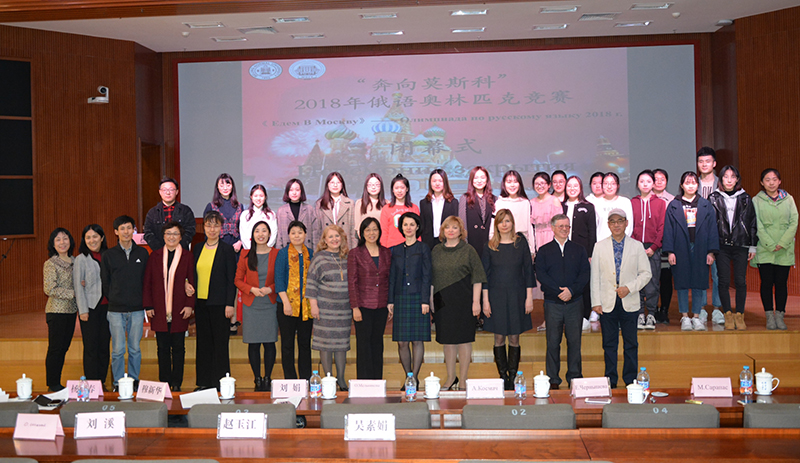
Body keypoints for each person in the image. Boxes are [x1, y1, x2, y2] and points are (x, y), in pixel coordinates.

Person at [591, 209, 652, 388]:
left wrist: (629, 288)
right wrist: (596, 302)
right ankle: (610, 381)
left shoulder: (637, 246)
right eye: (613, 221)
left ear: (626, 223)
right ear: (608, 225)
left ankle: (631, 381)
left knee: (631, 344)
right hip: (607, 302)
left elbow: (646, 273)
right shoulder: (599, 246)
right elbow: (595, 276)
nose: (616, 225)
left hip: (629, 300)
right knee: (609, 344)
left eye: (620, 221)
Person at [432, 216, 487, 390]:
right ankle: (451, 378)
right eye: (447, 227)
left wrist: (476, 302)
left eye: (455, 227)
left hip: (464, 301)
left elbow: (478, 277)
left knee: (464, 341)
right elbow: (431, 278)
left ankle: (463, 379)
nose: (451, 230)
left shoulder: (469, 250)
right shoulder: (436, 250)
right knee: (448, 342)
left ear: (461, 231)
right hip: (442, 301)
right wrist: (430, 300)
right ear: (443, 230)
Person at [536, 214, 591, 389]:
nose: (564, 229)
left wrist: (571, 291)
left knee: (575, 343)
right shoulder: (544, 250)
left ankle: (575, 378)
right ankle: (553, 380)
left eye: (567, 226)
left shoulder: (579, 249)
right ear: (552, 228)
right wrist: (559, 292)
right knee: (553, 343)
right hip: (553, 303)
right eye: (560, 226)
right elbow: (541, 274)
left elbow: (585, 274)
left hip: (575, 303)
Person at [482, 209, 535, 390]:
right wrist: (485, 300)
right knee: (498, 337)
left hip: (517, 296)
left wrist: (529, 298)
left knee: (514, 337)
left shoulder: (521, 243)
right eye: (501, 221)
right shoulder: (490, 246)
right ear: (496, 225)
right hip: (495, 297)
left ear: (512, 223)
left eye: (507, 221)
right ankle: (502, 376)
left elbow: (528, 271)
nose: (504, 225)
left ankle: (513, 377)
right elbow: (484, 276)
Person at [662, 172, 720, 332]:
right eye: (687, 183)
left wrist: (711, 252)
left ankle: (696, 316)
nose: (690, 185)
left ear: (697, 185)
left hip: (701, 248)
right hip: (680, 248)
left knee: (698, 283)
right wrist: (670, 252)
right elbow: (668, 230)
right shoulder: (674, 205)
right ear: (682, 185)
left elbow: (712, 229)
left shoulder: (705, 204)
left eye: (693, 182)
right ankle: (685, 316)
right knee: (681, 283)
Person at [143, 222, 195, 392]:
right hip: (159, 309)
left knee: (179, 348)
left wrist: (189, 305)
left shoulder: (187, 256)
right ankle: (164, 382)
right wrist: (148, 305)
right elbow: (148, 282)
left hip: (180, 309)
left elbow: (192, 281)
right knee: (162, 348)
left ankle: (177, 382)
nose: (171, 237)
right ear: (163, 236)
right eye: (168, 233)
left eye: (175, 234)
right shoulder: (155, 256)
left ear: (181, 237)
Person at [101, 215, 149, 390]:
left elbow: (146, 280)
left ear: (134, 230)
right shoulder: (109, 255)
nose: (126, 232)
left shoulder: (142, 253)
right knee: (118, 350)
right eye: (122, 228)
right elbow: (105, 282)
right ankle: (118, 383)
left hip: (137, 309)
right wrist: (115, 298)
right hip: (115, 310)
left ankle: (134, 381)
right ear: (116, 232)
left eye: (129, 228)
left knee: (135, 348)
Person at [709, 165, 757, 330]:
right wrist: (711, 248)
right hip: (721, 245)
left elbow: (752, 223)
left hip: (741, 244)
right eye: (726, 177)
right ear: (721, 179)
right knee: (723, 280)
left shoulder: (745, 198)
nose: (729, 180)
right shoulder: (713, 198)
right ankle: (728, 314)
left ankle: (740, 315)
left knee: (740, 281)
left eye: (732, 177)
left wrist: (752, 246)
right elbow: (709, 225)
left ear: (737, 179)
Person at [193, 211, 237, 390]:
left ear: (221, 228)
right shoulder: (197, 248)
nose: (212, 229)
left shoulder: (227, 249)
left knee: (220, 344)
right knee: (203, 344)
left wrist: (229, 304)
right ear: (203, 227)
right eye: (208, 225)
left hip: (220, 304)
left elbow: (231, 279)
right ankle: (204, 383)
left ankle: (220, 384)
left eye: (216, 225)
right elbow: (192, 273)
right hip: (200, 303)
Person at [388, 212, 431, 389]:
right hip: (400, 297)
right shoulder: (395, 250)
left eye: (412, 224)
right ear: (401, 227)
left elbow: (427, 275)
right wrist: (390, 300)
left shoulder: (423, 248)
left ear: (417, 227)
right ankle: (408, 377)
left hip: (418, 297)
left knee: (417, 340)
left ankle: (416, 377)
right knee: (402, 342)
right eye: (405, 224)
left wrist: (425, 300)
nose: (408, 228)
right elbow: (392, 277)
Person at [751, 168, 798, 330]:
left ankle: (780, 315)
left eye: (774, 179)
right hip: (765, 249)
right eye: (767, 180)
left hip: (784, 249)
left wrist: (782, 243)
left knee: (781, 284)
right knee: (766, 283)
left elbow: (794, 221)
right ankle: (769, 316)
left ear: (779, 181)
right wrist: (770, 244)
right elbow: (757, 224)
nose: (771, 183)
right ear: (762, 183)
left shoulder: (789, 199)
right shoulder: (756, 200)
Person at [235, 221, 279, 391]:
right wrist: (251, 289)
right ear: (252, 235)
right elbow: (237, 280)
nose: (261, 234)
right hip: (251, 304)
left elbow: (283, 277)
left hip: (270, 303)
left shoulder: (277, 254)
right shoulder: (245, 254)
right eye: (257, 231)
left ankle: (267, 377)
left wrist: (271, 288)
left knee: (269, 343)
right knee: (253, 344)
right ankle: (257, 379)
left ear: (269, 234)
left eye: (264, 231)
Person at [307, 224, 351, 391]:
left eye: (337, 236)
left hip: (344, 310)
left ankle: (341, 379)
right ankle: (328, 379)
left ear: (342, 238)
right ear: (324, 240)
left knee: (341, 346)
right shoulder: (319, 258)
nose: (334, 239)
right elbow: (311, 283)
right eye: (330, 237)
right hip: (324, 309)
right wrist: (313, 305)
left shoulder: (347, 257)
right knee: (325, 345)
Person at [348, 218, 391, 380]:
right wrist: (355, 307)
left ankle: (377, 381)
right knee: (364, 345)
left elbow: (389, 279)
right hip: (363, 307)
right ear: (362, 233)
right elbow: (352, 282)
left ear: (379, 231)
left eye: (375, 229)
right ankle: (364, 383)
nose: (371, 233)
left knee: (377, 344)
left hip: (381, 306)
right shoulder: (355, 253)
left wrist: (390, 304)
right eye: (368, 230)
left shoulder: (386, 252)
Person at [275, 221, 314, 380]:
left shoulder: (311, 253)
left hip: (305, 306)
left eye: (300, 232)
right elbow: (279, 280)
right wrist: (286, 303)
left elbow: (314, 280)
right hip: (286, 306)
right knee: (287, 344)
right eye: (293, 233)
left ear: (305, 234)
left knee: (305, 344)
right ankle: (290, 380)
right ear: (288, 236)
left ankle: (306, 379)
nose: (297, 236)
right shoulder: (282, 254)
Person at [73, 224, 110, 384]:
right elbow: (77, 286)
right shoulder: (81, 259)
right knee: (91, 348)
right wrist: (82, 310)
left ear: (102, 238)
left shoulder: (109, 255)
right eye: (88, 237)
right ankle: (92, 384)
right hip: (90, 309)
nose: (92, 240)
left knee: (104, 347)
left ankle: (102, 382)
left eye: (95, 236)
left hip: (108, 308)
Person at [630, 170, 667, 330]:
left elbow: (662, 227)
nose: (645, 184)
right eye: (642, 181)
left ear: (653, 184)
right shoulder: (632, 202)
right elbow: (629, 226)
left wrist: (654, 247)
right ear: (637, 184)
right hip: (635, 248)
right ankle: (639, 313)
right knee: (637, 282)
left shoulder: (660, 203)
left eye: (648, 181)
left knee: (652, 283)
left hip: (653, 248)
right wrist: (636, 247)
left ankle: (651, 313)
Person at [44, 227, 78, 391]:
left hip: (71, 311)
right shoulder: (50, 263)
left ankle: (56, 382)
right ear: (53, 244)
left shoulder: (76, 261)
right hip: (56, 312)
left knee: (64, 348)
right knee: (56, 349)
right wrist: (74, 293)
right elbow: (49, 289)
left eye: (65, 238)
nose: (62, 242)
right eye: (58, 239)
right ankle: (53, 384)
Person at [562, 176, 597, 328]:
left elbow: (592, 232)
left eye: (575, 186)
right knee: (566, 282)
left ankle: (584, 316)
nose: (572, 188)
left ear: (581, 188)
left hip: (582, 252)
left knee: (583, 284)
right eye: (569, 186)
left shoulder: (588, 207)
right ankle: (566, 316)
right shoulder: (561, 206)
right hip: (563, 252)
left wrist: (590, 254)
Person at [696, 147, 723, 322]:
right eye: (701, 161)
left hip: (718, 236)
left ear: (714, 163)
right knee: (700, 274)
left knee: (718, 275)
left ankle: (718, 308)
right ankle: (701, 308)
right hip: (698, 237)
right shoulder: (692, 183)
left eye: (708, 161)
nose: (704, 164)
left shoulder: (723, 183)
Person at [144, 178, 196, 250]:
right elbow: (148, 233)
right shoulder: (152, 212)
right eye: (164, 190)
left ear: (177, 192)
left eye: (171, 190)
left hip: (181, 251)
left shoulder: (185, 211)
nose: (168, 193)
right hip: (159, 252)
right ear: (160, 192)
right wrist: (161, 249)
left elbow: (190, 231)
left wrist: (177, 247)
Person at [491, 170, 535, 254]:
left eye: (515, 181)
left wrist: (532, 250)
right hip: (503, 244)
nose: (512, 185)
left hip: (522, 245)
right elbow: (493, 228)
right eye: (509, 182)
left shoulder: (525, 203)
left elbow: (529, 228)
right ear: (504, 184)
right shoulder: (499, 203)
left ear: (519, 184)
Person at [458, 166, 496, 258]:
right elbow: (462, 223)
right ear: (471, 180)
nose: (479, 181)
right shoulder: (465, 198)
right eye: (476, 178)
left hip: (490, 243)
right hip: (471, 243)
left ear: (487, 180)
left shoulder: (494, 199)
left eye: (482, 178)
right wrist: (465, 243)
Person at [653, 168, 675, 324]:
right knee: (652, 280)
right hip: (651, 245)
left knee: (666, 279)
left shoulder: (673, 200)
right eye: (656, 179)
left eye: (662, 179)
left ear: (667, 182)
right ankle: (652, 310)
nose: (659, 182)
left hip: (667, 245)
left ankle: (664, 310)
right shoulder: (647, 199)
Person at [314, 171, 356, 249]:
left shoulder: (350, 203)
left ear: (342, 185)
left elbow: (353, 230)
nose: (335, 185)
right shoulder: (320, 204)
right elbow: (317, 230)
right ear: (327, 185)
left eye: (338, 182)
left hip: (345, 245)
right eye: (332, 182)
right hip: (326, 246)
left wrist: (354, 250)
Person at [203, 173, 244, 252]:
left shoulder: (239, 206)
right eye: (221, 185)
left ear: (232, 186)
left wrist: (240, 242)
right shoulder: (211, 206)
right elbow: (206, 229)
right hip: (217, 245)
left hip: (235, 246)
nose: (225, 188)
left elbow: (243, 228)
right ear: (217, 187)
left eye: (228, 185)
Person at [420, 169, 459, 250]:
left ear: (445, 183)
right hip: (428, 243)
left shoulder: (453, 202)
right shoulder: (424, 203)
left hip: (448, 241)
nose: (437, 184)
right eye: (434, 181)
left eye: (440, 181)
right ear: (430, 183)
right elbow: (423, 225)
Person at [275, 178, 317, 250]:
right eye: (291, 190)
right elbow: (279, 235)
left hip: (306, 249)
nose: (294, 193)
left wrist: (315, 251)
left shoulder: (309, 209)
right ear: (287, 192)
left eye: (297, 190)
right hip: (287, 250)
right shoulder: (281, 211)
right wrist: (279, 252)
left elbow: (315, 232)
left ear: (301, 191)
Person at [380, 174, 420, 248]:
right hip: (392, 247)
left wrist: (418, 247)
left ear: (407, 189)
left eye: (402, 187)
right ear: (392, 190)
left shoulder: (414, 208)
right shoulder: (386, 209)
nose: (399, 191)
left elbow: (418, 231)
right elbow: (384, 232)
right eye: (396, 188)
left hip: (411, 246)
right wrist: (383, 250)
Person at [595, 172, 633, 241]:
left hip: (622, 242)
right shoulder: (596, 203)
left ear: (618, 185)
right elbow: (595, 227)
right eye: (606, 183)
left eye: (613, 183)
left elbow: (629, 225)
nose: (609, 187)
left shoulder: (625, 202)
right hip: (602, 242)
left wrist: (622, 241)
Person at [240, 184, 278, 250]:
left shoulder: (271, 215)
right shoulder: (245, 215)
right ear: (251, 197)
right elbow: (244, 237)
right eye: (255, 196)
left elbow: (273, 235)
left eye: (261, 196)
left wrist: (265, 250)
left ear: (265, 197)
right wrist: (252, 251)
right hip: (249, 251)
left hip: (267, 252)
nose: (258, 198)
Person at [354, 173, 386, 237]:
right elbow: (358, 227)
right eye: (370, 185)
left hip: (382, 239)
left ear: (381, 186)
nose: (373, 187)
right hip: (365, 239)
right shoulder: (359, 203)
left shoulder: (387, 204)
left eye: (377, 185)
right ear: (366, 186)